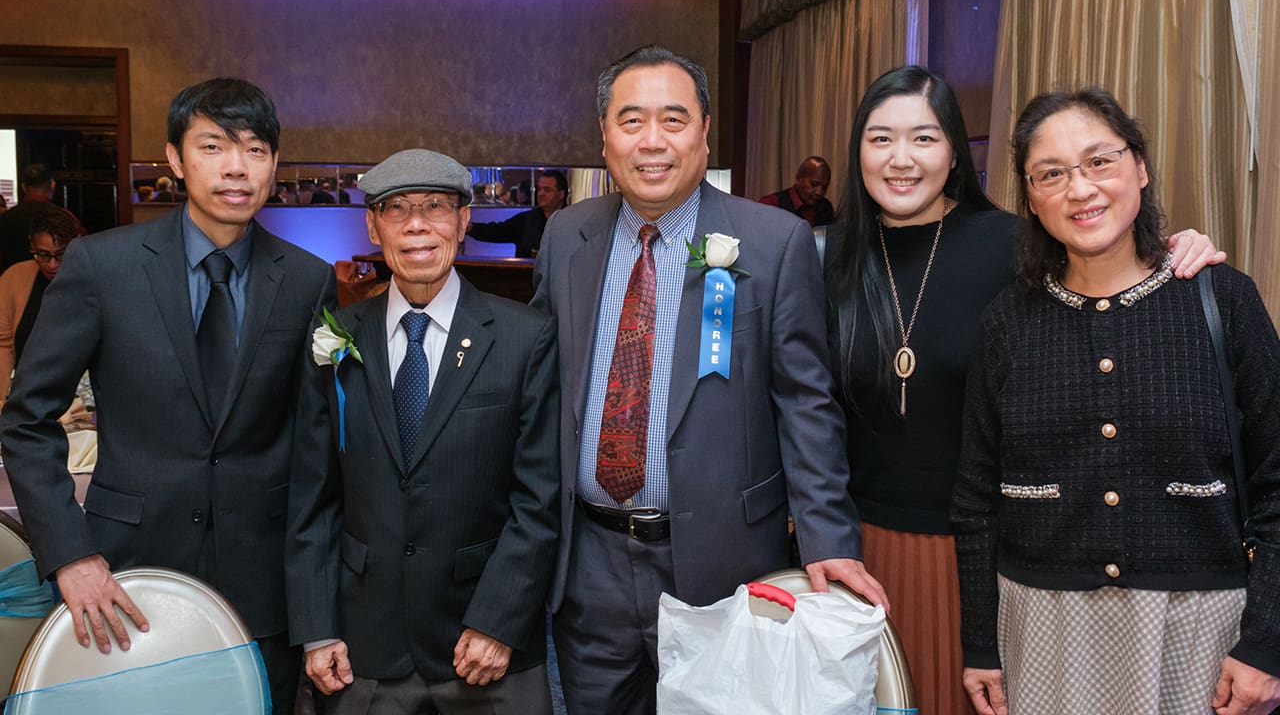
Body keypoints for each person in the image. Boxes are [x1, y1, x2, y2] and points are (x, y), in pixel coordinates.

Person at [825, 66, 1224, 715]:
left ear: (955, 150)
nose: (902, 159)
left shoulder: (1014, 245)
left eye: (924, 139)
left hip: (999, 555)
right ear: (858, 150)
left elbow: (1112, 276)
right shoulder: (826, 258)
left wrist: (1181, 248)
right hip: (859, 551)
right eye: (880, 139)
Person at [531, 44, 886, 713]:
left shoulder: (773, 241)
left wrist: (829, 540)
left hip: (722, 562)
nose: (652, 141)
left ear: (704, 130)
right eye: (631, 121)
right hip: (589, 565)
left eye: (674, 118)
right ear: (604, 135)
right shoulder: (566, 237)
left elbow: (805, 402)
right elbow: (544, 388)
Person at [0, 77, 337, 714]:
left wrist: (316, 605)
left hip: (262, 584)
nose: (236, 167)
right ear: (176, 160)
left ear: (272, 165)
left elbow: (313, 449)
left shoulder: (306, 279)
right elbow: (26, 421)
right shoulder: (103, 266)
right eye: (213, 146)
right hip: (123, 578)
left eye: (256, 149)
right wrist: (71, 557)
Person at [952, 87, 1280, 715]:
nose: (1080, 189)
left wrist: (1266, 640)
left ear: (1141, 167)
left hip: (1202, 628)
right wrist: (980, 642)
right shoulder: (1007, 323)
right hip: (1042, 626)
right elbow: (975, 502)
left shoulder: (1223, 301)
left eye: (1100, 162)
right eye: (1051, 173)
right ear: (1030, 198)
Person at [287, 148, 560, 714]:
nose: (417, 225)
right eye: (396, 209)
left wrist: (499, 621)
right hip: (360, 647)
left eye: (436, 206)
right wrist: (316, 627)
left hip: (483, 645)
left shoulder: (525, 338)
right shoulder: (336, 338)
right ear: (372, 224)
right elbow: (312, 495)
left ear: (463, 221)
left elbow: (540, 500)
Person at [0, 204, 76, 403]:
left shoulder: (92, 279)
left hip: (81, 398)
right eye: (42, 254)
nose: (52, 265)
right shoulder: (14, 278)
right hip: (27, 393)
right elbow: (3, 345)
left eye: (60, 254)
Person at [0, 163, 88, 272]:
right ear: (52, 184)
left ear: (23, 186)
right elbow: (84, 251)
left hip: (8, 280)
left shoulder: (5, 218)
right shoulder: (64, 217)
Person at [468, 170, 568, 257]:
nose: (541, 194)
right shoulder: (526, 220)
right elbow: (497, 231)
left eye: (547, 190)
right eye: (540, 189)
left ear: (561, 194)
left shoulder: (572, 221)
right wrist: (471, 228)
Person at [758, 155, 835, 227]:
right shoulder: (772, 204)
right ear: (798, 179)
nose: (819, 192)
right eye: (814, 184)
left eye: (824, 187)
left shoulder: (825, 207)